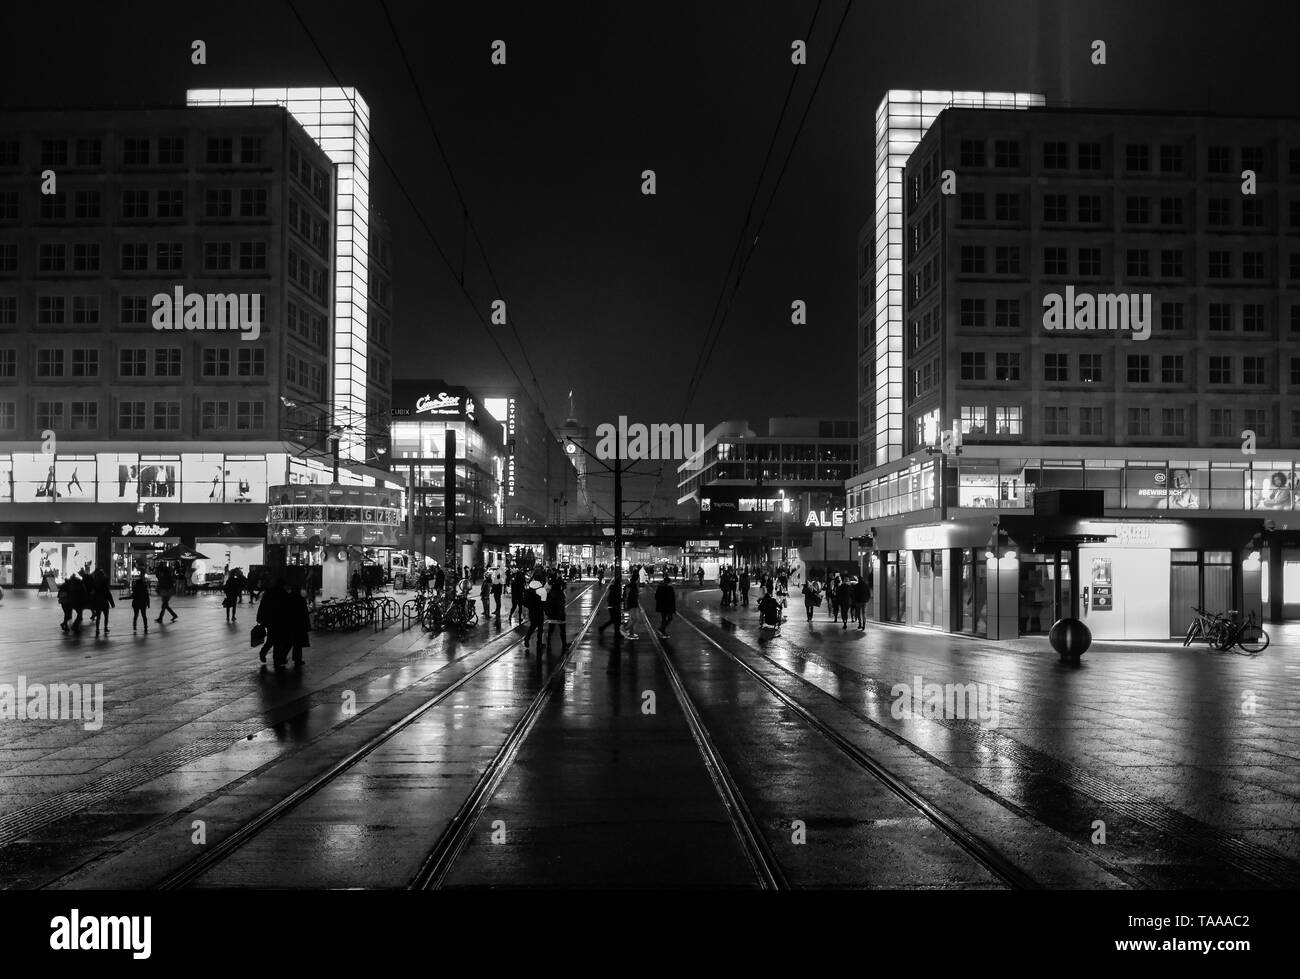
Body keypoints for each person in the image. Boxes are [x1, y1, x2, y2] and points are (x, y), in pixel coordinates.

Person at [255, 580, 282, 663]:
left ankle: (264, 653)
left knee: (271, 638)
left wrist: (260, 618)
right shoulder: (280, 594)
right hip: (277, 619)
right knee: (276, 639)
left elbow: (262, 607)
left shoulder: (268, 593)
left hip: (269, 619)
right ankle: (275, 658)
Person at [523, 571, 548, 652]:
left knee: (533, 625)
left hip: (531, 610)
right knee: (540, 627)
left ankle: (527, 638)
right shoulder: (542, 590)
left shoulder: (530, 588)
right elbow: (544, 602)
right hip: (539, 610)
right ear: (541, 581)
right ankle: (539, 643)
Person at [544, 572, 568, 651]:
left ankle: (549, 643)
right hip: (560, 615)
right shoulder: (561, 594)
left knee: (551, 630)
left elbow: (547, 604)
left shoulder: (550, 593)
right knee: (562, 630)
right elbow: (562, 604)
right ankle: (564, 644)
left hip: (552, 615)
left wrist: (547, 613)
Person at [88, 569, 114, 636]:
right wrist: (112, 603)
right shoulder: (104, 584)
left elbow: (92, 594)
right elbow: (108, 594)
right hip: (104, 603)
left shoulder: (95, 584)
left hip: (97, 603)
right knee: (106, 616)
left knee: (98, 617)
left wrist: (92, 603)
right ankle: (105, 628)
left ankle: (97, 629)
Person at [654, 573, 676, 638]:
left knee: (664, 618)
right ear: (669, 582)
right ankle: (662, 629)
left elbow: (656, 596)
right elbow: (672, 599)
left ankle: (662, 630)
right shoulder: (670, 588)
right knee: (670, 618)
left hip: (661, 606)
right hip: (668, 606)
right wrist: (673, 609)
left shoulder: (660, 587)